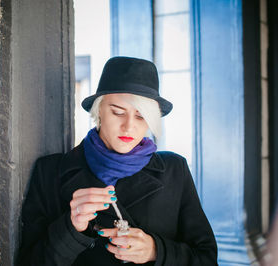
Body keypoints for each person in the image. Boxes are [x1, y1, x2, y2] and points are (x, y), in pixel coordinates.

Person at [17, 57, 217, 265]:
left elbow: (207, 259)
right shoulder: (50, 171)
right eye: (118, 112)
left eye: (141, 117)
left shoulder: (175, 170)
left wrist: (156, 251)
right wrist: (70, 228)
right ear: (98, 112)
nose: (129, 126)